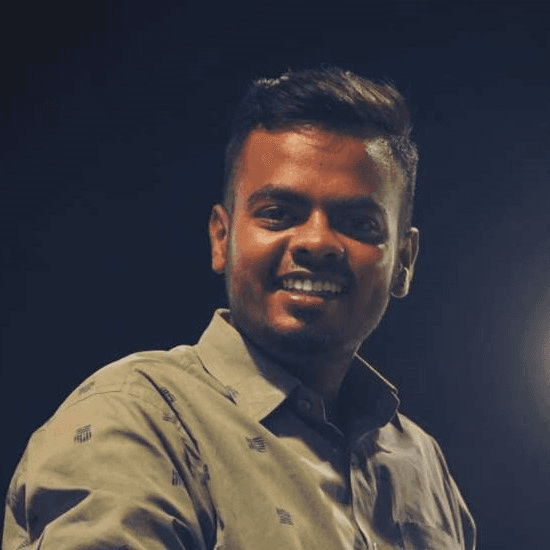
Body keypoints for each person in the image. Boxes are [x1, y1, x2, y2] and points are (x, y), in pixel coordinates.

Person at [3, 67, 475, 550]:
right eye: (278, 214)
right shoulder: (134, 419)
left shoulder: (421, 466)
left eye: (358, 223)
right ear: (221, 238)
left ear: (404, 262)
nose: (316, 242)